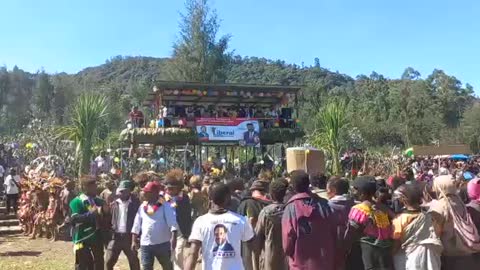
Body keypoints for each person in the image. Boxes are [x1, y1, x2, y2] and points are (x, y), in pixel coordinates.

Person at [185, 182, 255, 270]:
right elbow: (248, 254)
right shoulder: (241, 221)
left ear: (210, 198)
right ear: (228, 198)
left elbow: (193, 253)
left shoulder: (201, 222)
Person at [282, 170, 336, 270]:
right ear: (308, 184)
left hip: (299, 264)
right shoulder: (325, 205)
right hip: (324, 262)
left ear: (293, 187)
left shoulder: (290, 208)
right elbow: (333, 232)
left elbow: (287, 242)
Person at [429, 175, 480, 270]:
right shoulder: (460, 202)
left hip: (450, 255)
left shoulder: (440, 206)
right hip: (467, 251)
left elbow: (435, 233)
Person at [344, 176, 393, 270]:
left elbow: (351, 233)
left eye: (354, 190)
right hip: (384, 255)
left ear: (361, 193)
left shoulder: (359, 210)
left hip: (367, 255)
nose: (352, 192)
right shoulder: (382, 208)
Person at [392, 182, 442, 270]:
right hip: (431, 256)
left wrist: (391, 253)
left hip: (410, 258)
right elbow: (438, 232)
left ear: (404, 200)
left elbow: (396, 241)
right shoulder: (431, 216)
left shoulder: (399, 219)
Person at [131, 181, 178, 270]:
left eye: (147, 192)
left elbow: (172, 223)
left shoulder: (165, 205)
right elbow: (136, 224)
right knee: (146, 267)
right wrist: (133, 240)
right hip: (145, 244)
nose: (144, 193)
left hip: (163, 244)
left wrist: (173, 238)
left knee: (167, 267)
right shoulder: (142, 206)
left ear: (154, 193)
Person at [69, 177, 106, 270]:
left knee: (99, 262)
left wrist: (106, 211)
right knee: (82, 263)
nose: (95, 188)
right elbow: (74, 219)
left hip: (96, 237)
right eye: (93, 187)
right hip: (80, 238)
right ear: (85, 188)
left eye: (95, 186)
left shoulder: (99, 201)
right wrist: (91, 213)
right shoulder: (77, 201)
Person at [105, 180, 140, 270]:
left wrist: (137, 238)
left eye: (122, 191)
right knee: (108, 262)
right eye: (119, 191)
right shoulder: (113, 204)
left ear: (128, 191)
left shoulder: (135, 204)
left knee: (134, 263)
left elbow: (139, 222)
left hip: (129, 237)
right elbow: (108, 220)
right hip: (115, 237)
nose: (119, 193)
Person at [255, 178, 289, 270]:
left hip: (270, 258)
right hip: (288, 258)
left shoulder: (265, 212)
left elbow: (257, 239)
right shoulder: (290, 210)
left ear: (271, 195)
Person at [237, 180, 271, 270]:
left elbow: (247, 221)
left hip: (249, 241)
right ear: (264, 191)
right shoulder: (271, 204)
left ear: (252, 191)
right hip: (268, 242)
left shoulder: (247, 202)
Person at [326, 177, 355, 270]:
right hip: (353, 248)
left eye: (327, 190)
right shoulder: (355, 205)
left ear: (333, 190)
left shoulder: (327, 207)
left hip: (334, 248)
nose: (326, 193)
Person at [164, 178, 193, 270]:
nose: (169, 190)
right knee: (168, 255)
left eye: (172, 188)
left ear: (179, 188)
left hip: (181, 230)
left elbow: (187, 216)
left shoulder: (184, 198)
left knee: (178, 252)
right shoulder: (162, 198)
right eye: (168, 188)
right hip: (166, 230)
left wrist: (188, 233)